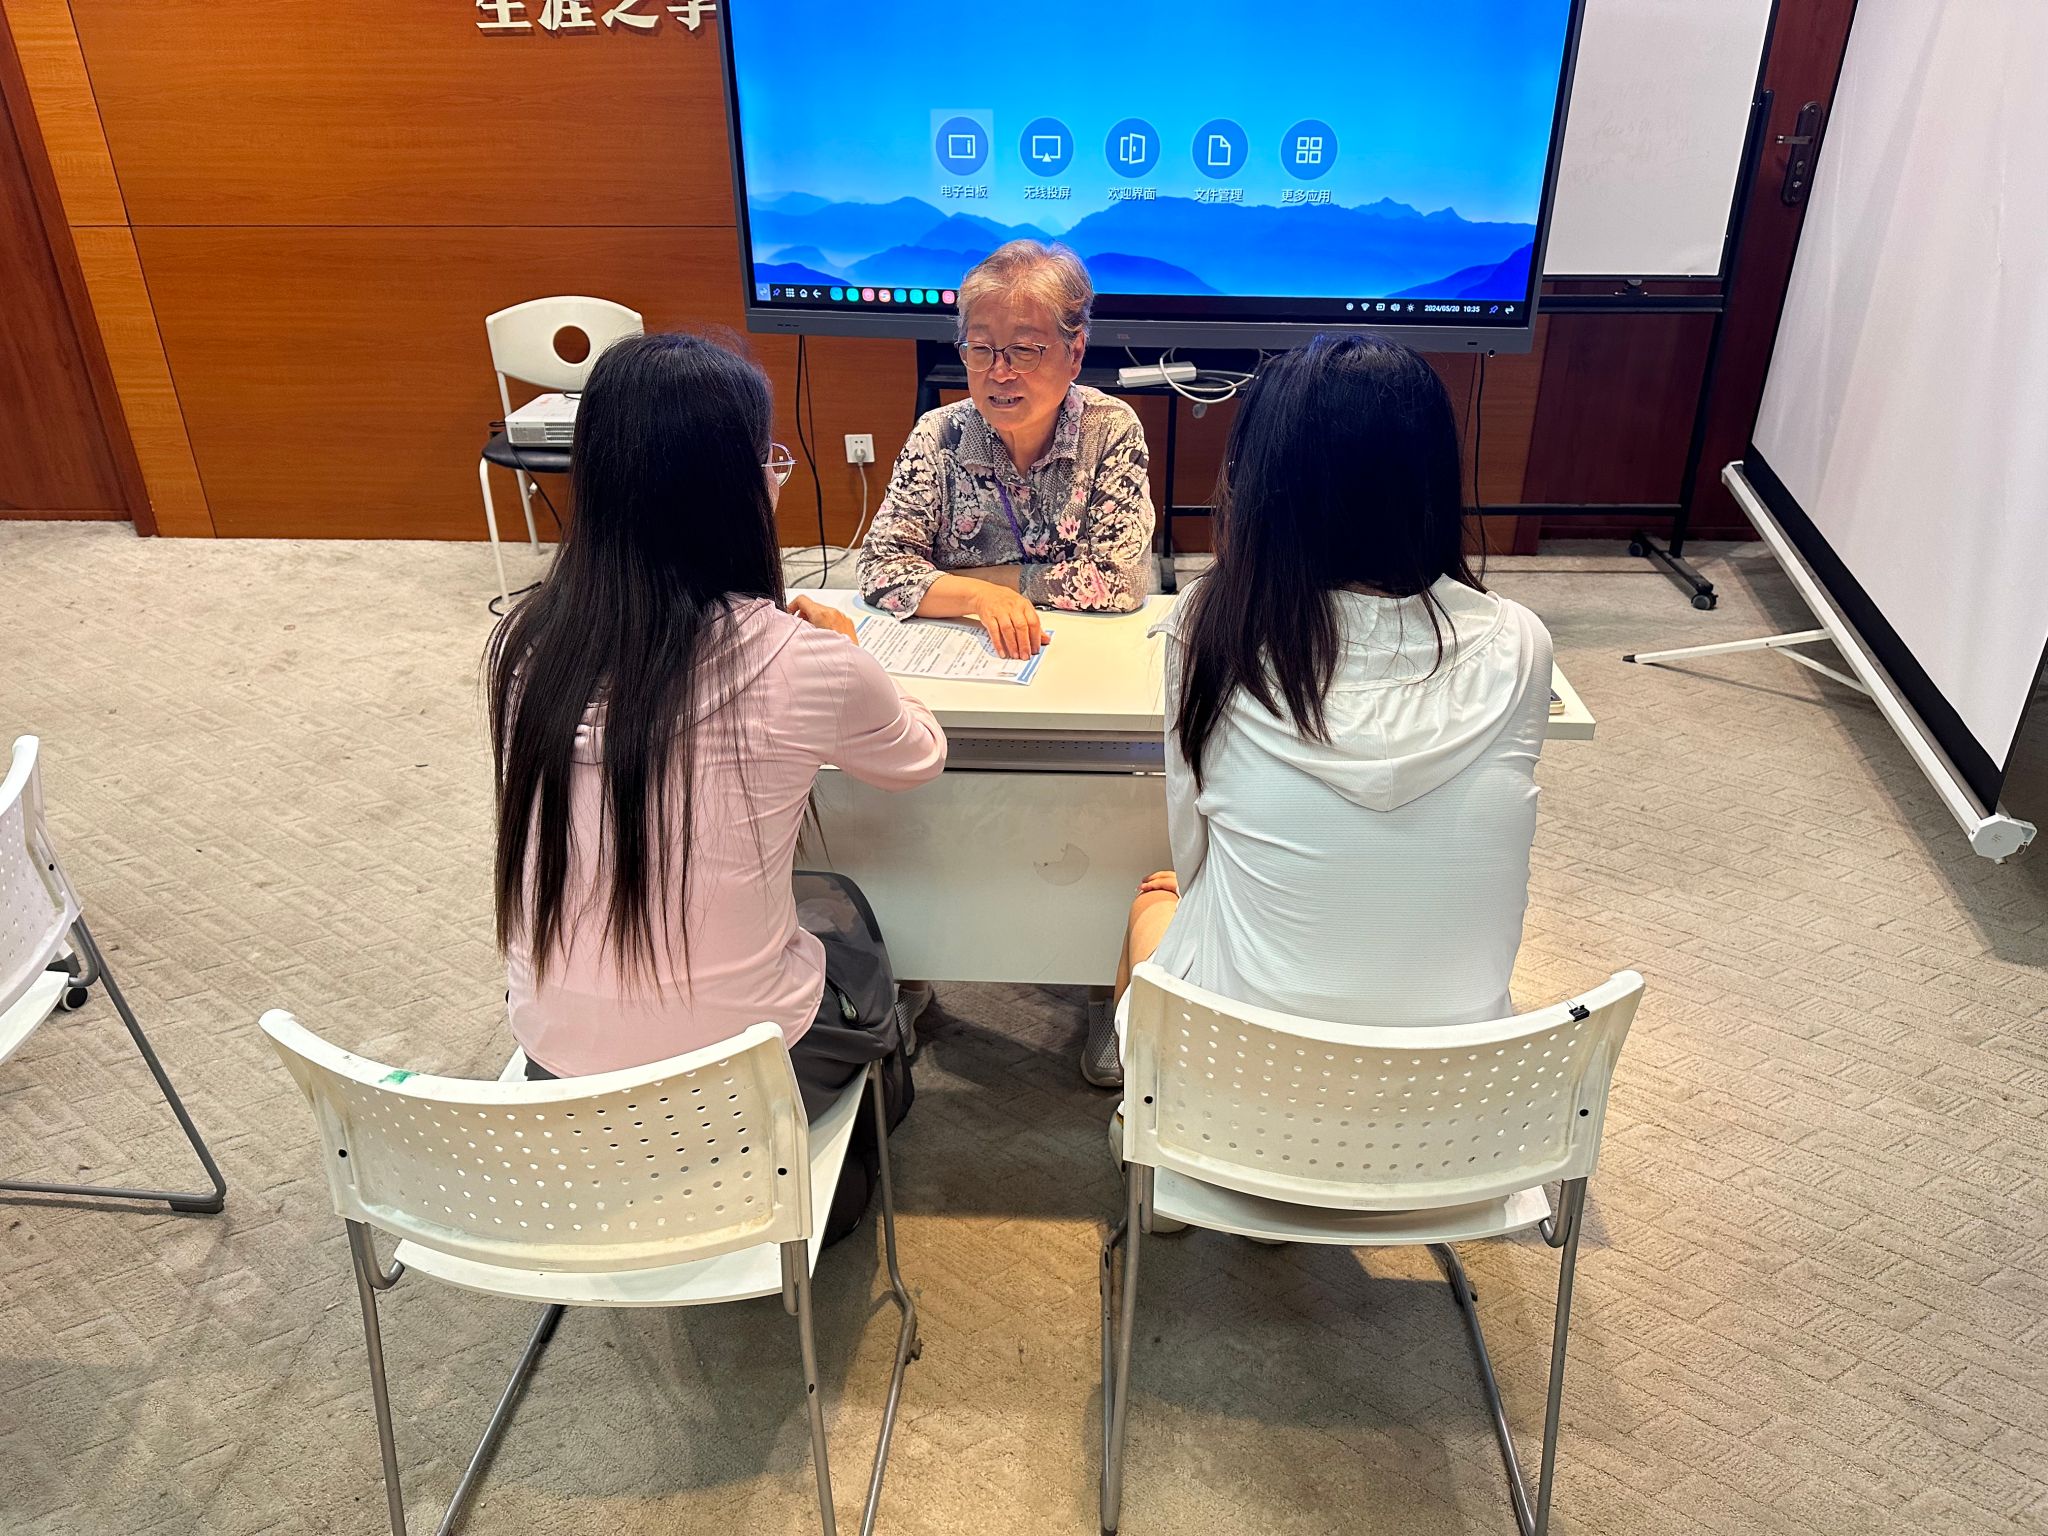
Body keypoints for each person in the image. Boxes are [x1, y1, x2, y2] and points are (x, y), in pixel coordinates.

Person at [485, 332, 947, 1158]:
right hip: (741, 1082)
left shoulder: (526, 647)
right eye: (767, 458)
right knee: (852, 923)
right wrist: (853, 656)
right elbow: (918, 757)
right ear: (732, 488)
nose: (776, 474)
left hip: (558, 1065)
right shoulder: (805, 661)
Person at [1099, 333, 1554, 1090]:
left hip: (1237, 1095)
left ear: (1260, 487)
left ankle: (1137, 1127)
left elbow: (1194, 852)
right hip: (1460, 1110)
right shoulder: (1522, 643)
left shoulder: (1208, 627)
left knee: (1158, 897)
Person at [857, 240, 1156, 659]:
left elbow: (1120, 582)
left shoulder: (1109, 430)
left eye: (1023, 351)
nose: (999, 372)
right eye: (981, 350)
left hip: (1085, 652)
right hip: (966, 650)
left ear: (1074, 353)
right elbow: (878, 568)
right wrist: (980, 599)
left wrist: (975, 582)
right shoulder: (939, 435)